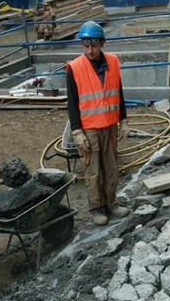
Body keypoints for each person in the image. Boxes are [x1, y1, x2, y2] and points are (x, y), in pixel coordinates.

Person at [67, 21, 131, 226]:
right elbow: (72, 102)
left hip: (110, 126)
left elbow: (118, 93)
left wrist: (124, 120)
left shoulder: (112, 62)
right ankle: (97, 208)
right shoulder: (75, 68)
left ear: (102, 43)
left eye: (93, 45)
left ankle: (111, 202)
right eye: (85, 45)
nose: (90, 50)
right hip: (89, 129)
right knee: (93, 171)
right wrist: (76, 131)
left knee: (111, 167)